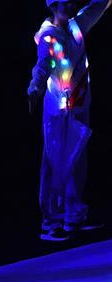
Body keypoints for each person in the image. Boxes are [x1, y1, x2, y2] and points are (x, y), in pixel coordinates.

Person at [28, 0, 109, 241]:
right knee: (55, 162)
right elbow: (43, 64)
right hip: (58, 111)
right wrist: (35, 87)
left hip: (80, 105)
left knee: (77, 161)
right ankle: (50, 221)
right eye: (64, 3)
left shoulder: (76, 26)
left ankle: (73, 214)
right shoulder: (48, 36)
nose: (70, 6)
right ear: (53, 6)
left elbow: (96, 7)